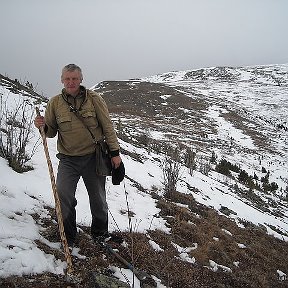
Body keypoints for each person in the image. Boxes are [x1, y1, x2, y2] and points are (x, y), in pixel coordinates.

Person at [34, 64, 122, 246]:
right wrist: (41, 125)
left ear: (81, 80)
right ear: (62, 80)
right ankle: (68, 235)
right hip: (67, 159)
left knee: (98, 198)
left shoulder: (94, 99)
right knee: (63, 194)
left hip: (93, 157)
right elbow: (50, 133)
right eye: (67, 78)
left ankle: (100, 234)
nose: (71, 82)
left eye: (74, 78)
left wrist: (115, 154)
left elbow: (108, 128)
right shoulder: (55, 103)